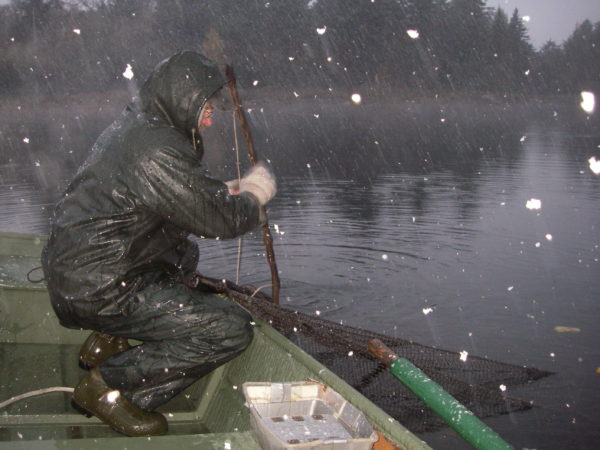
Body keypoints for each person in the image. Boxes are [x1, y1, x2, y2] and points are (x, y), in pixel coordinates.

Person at [41, 51, 276, 437]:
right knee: (230, 329)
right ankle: (108, 389)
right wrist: (253, 196)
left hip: (80, 271)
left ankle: (106, 340)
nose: (212, 114)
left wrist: (226, 191)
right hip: (97, 287)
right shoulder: (156, 148)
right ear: (182, 99)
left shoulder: (142, 127)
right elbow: (220, 220)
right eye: (205, 104)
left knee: (184, 252)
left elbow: (175, 198)